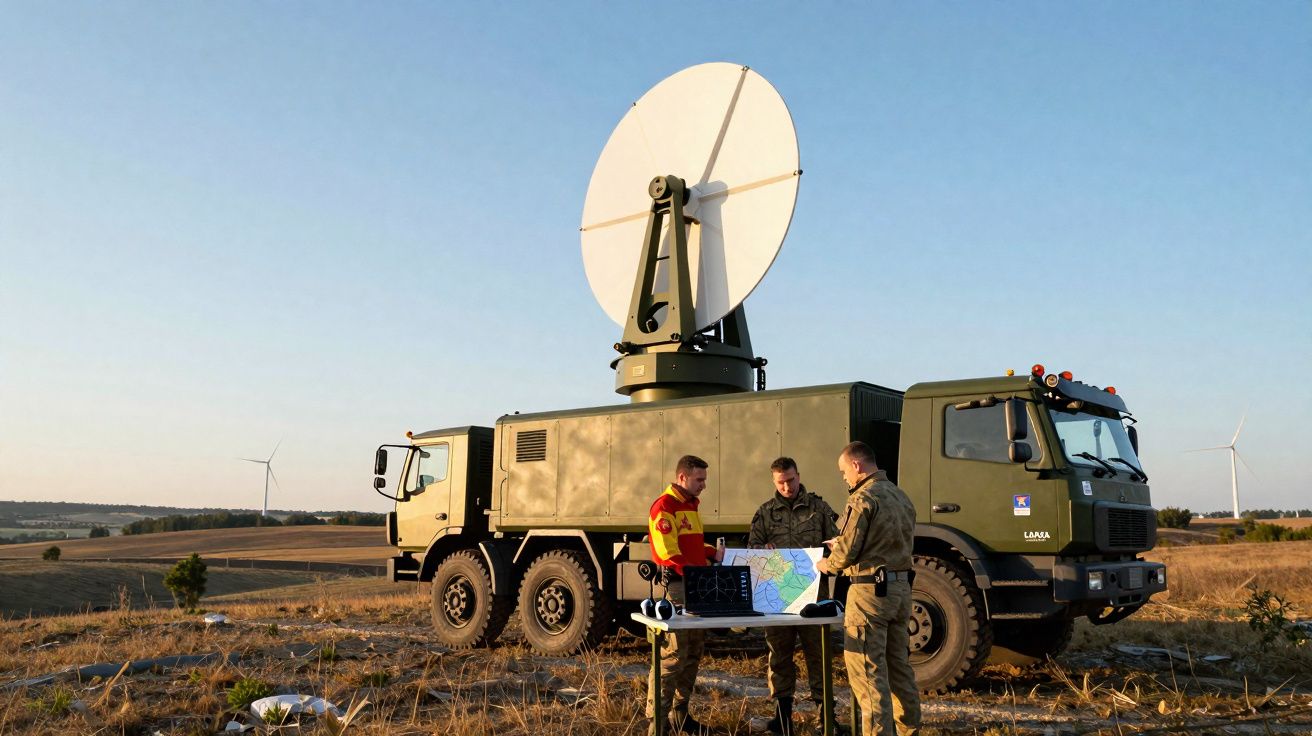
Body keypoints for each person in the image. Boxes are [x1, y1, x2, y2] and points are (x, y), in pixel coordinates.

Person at [817, 441, 921, 736]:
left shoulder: (863, 498)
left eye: (843, 472)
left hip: (868, 595)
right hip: (900, 592)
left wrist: (828, 563)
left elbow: (847, 550)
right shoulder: (902, 497)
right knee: (900, 669)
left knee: (868, 674)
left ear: (857, 466)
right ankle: (909, 730)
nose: (844, 478)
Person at [748, 456, 840, 735]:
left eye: (791, 480)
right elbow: (752, 549)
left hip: (814, 598)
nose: (787, 487)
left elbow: (837, 544)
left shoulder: (820, 509)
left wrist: (825, 554)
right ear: (773, 481)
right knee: (779, 656)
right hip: (778, 598)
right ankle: (782, 717)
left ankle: (826, 718)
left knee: (819, 655)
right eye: (781, 482)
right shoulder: (765, 513)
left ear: (798, 476)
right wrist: (762, 548)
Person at [647, 454, 723, 736]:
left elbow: (689, 545)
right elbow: (670, 555)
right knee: (673, 656)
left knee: (693, 653)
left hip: (695, 585)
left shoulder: (689, 505)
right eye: (699, 479)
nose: (704, 485)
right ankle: (658, 723)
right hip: (678, 587)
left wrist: (711, 553)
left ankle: (680, 716)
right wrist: (697, 572)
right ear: (682, 477)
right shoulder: (664, 507)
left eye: (704, 479)